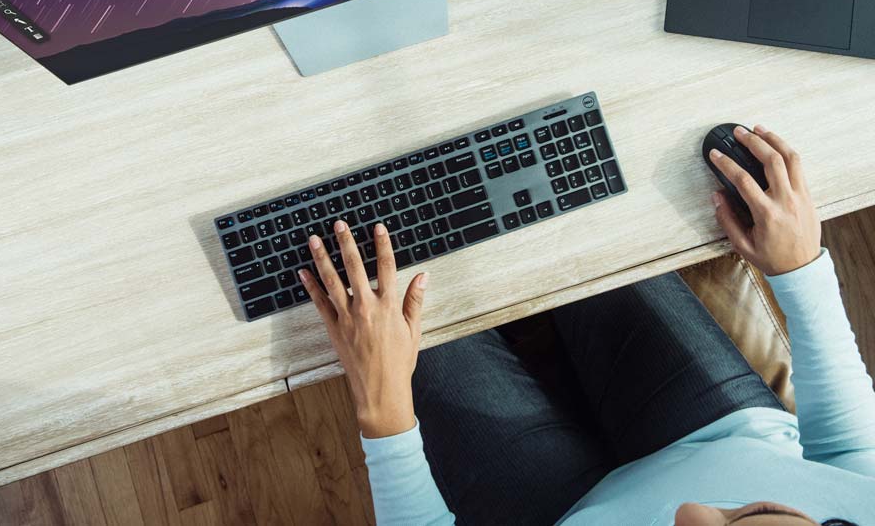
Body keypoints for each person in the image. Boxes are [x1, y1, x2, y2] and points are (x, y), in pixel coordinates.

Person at [296, 125, 875, 525]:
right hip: (718, 431)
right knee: (569, 196)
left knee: (384, 277)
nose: (689, 512)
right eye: (752, 511)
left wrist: (383, 409)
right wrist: (801, 269)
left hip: (549, 513)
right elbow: (851, 455)